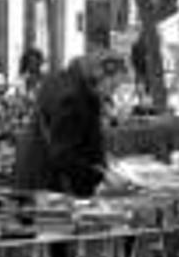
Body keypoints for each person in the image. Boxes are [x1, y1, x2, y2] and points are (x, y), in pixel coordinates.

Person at [15, 49, 128, 197]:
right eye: (113, 86)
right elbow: (64, 155)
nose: (112, 93)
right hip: (48, 186)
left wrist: (101, 162)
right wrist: (100, 175)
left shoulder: (70, 82)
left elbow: (82, 140)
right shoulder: (71, 98)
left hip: (38, 176)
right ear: (99, 75)